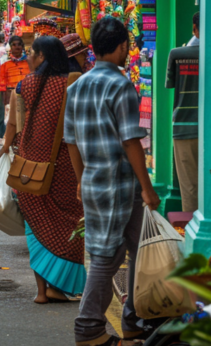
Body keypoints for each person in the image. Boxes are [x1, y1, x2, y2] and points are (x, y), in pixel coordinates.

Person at [64, 17, 159, 346]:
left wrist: (80, 179)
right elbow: (131, 141)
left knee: (140, 248)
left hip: (93, 180)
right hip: (119, 184)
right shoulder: (120, 85)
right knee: (106, 257)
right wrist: (147, 187)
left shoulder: (77, 86)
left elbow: (71, 141)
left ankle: (132, 318)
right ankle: (88, 326)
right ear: (122, 48)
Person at [0, 36, 86, 304]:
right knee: (72, 223)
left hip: (28, 168)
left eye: (32, 54)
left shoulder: (25, 85)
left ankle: (42, 292)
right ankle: (63, 284)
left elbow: (13, 124)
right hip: (64, 169)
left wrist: (6, 147)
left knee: (35, 228)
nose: (28, 58)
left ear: (43, 57)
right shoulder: (73, 84)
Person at [166, 12, 200, 212]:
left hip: (183, 127)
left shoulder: (176, 55)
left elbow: (171, 85)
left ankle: (191, 237)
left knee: (189, 188)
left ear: (194, 29)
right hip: (210, 128)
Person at [0, 35, 31, 107]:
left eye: (19, 44)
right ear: (10, 47)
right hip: (11, 96)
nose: (17, 47)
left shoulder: (30, 63)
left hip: (27, 96)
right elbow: (2, 85)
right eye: (14, 45)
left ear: (22, 47)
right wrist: (5, 103)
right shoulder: (5, 65)